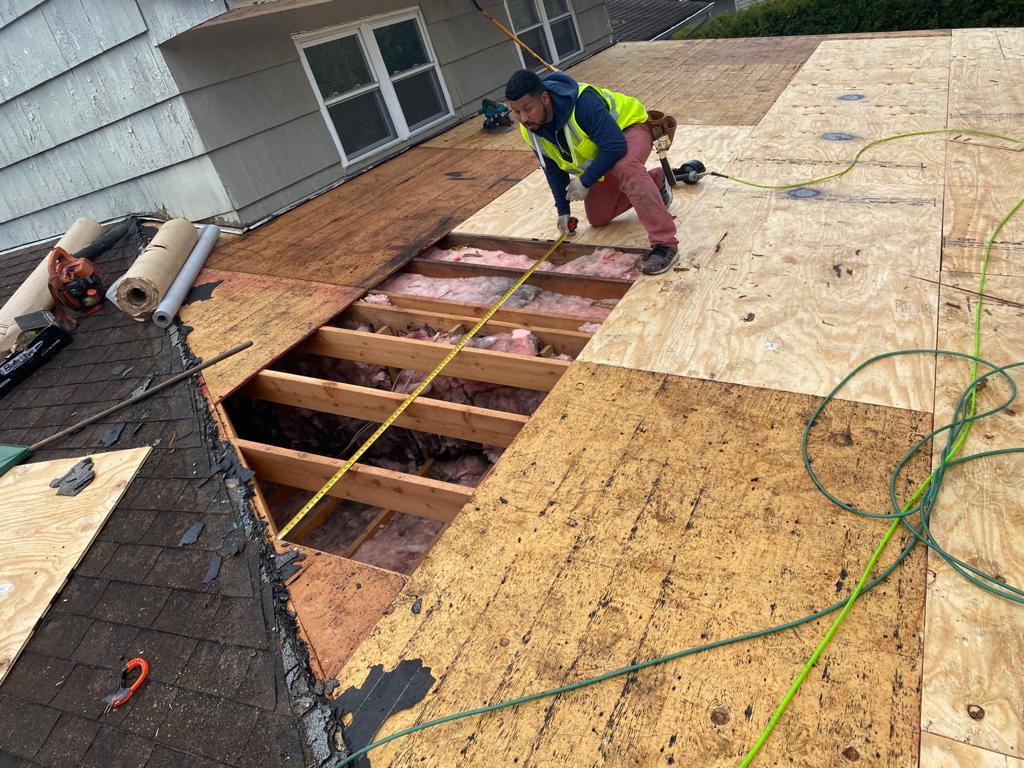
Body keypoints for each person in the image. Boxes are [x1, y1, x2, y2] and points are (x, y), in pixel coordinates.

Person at [504, 69, 678, 275]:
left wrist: (586, 181)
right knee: (599, 217)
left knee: (625, 166)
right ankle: (656, 182)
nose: (523, 118)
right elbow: (552, 169)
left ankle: (665, 244)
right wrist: (563, 209)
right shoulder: (530, 129)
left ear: (544, 98)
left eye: (527, 109)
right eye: (516, 112)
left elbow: (615, 146)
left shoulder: (582, 104)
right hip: (603, 152)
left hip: (629, 129)